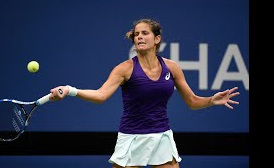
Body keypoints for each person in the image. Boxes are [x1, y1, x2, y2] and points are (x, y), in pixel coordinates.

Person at [48, 18, 240, 168]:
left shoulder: (172, 67)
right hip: (132, 138)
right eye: (136, 34)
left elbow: (192, 101)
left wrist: (211, 100)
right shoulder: (124, 69)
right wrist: (71, 90)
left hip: (162, 136)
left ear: (156, 39)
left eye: (144, 33)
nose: (139, 36)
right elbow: (101, 96)